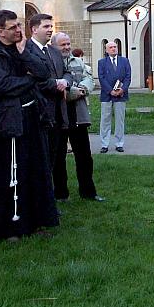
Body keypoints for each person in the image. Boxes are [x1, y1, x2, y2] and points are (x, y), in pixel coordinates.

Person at [0, 10, 59, 241]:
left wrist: (25, 55)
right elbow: (4, 85)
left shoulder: (23, 47)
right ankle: (7, 227)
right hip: (7, 121)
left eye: (18, 26)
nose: (18, 30)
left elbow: (44, 72)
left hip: (31, 118)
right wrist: (30, 79)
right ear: (0, 31)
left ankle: (34, 221)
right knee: (9, 174)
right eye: (13, 27)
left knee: (33, 170)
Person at [52, 32, 103, 201]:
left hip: (78, 116)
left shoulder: (78, 62)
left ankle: (88, 192)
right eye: (63, 45)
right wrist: (72, 91)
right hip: (59, 116)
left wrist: (79, 90)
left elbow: (90, 79)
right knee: (58, 158)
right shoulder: (50, 62)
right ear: (54, 46)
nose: (67, 47)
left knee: (84, 157)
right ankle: (60, 193)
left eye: (68, 44)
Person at [25, 13, 71, 185]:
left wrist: (65, 81)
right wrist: (54, 83)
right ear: (34, 29)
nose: (50, 30)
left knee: (53, 158)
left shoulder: (54, 51)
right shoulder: (27, 51)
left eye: (51, 27)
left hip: (58, 112)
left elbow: (66, 71)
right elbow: (32, 80)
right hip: (39, 113)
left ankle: (49, 197)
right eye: (46, 26)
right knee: (39, 160)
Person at [97, 42, 131, 153]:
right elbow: (101, 78)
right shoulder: (102, 62)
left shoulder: (124, 61)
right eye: (110, 47)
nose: (113, 49)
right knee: (105, 119)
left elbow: (127, 77)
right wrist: (110, 91)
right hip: (107, 95)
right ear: (106, 50)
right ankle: (104, 144)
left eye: (115, 47)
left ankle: (119, 143)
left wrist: (122, 89)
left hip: (121, 95)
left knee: (120, 120)